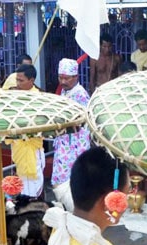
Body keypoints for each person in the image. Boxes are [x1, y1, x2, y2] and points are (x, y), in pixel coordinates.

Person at [51, 58, 91, 211]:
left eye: (66, 78)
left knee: (70, 182)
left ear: (76, 77)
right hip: (63, 143)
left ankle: (75, 212)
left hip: (74, 147)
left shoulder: (80, 94)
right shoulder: (64, 91)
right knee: (60, 181)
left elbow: (81, 121)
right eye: (60, 77)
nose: (62, 81)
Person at [7, 64, 45, 198]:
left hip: (32, 149)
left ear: (32, 80)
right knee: (23, 186)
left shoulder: (38, 98)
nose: (17, 83)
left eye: (21, 80)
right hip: (18, 148)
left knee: (34, 186)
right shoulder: (14, 96)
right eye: (17, 80)